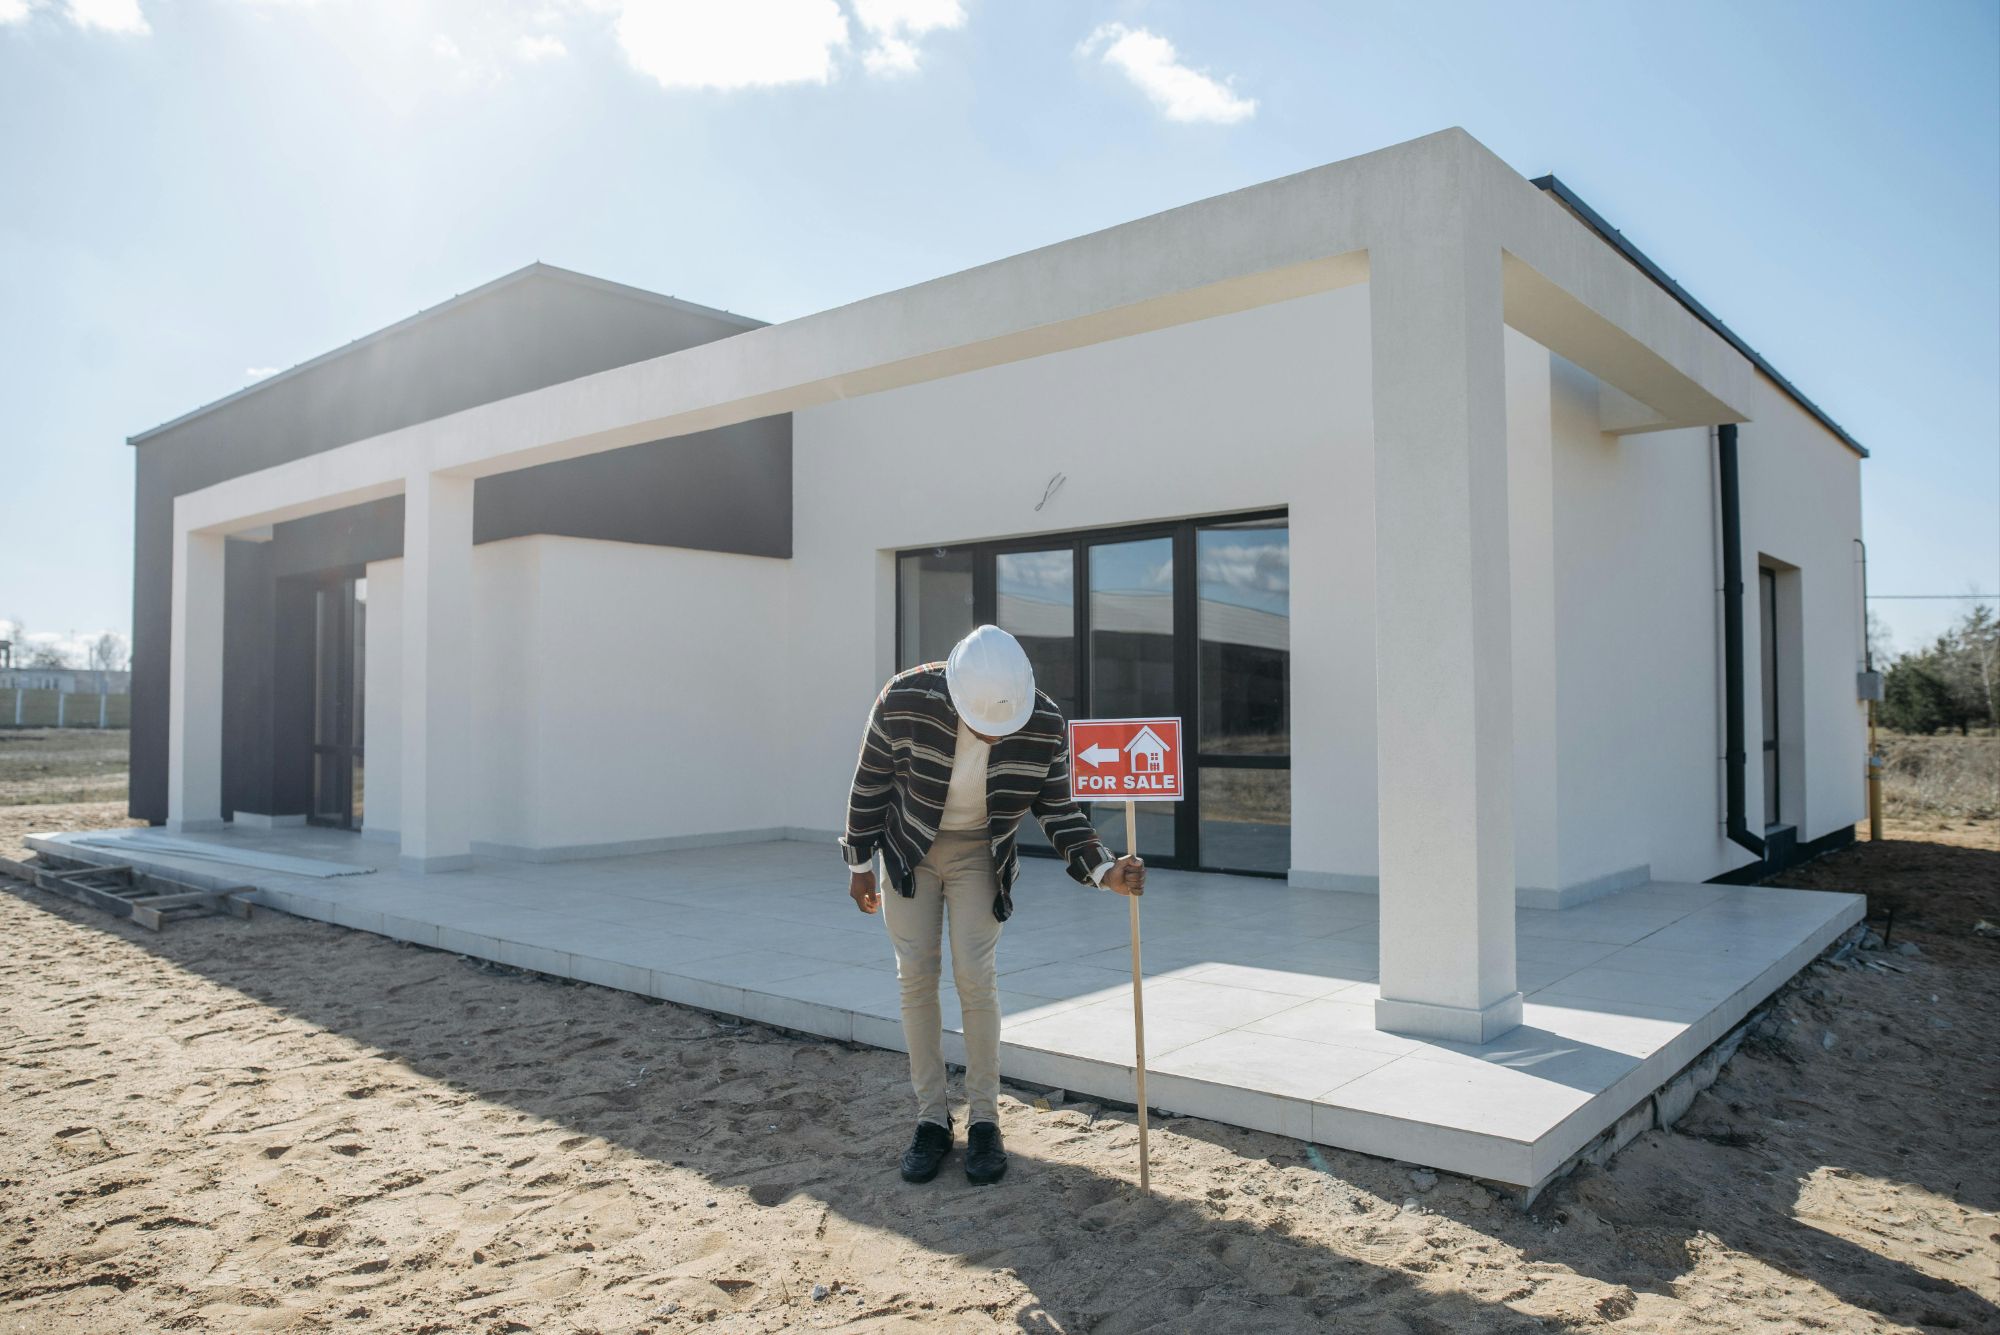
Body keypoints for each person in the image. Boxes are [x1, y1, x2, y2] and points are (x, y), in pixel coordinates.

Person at [841, 624, 1146, 1185]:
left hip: (982, 848)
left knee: (976, 977)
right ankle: (931, 1119)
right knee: (916, 978)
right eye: (984, 728)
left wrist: (1104, 869)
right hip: (909, 845)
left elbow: (1058, 810)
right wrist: (860, 862)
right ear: (955, 696)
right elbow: (871, 781)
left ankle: (985, 1119)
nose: (995, 738)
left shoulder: (1045, 722)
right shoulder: (904, 697)